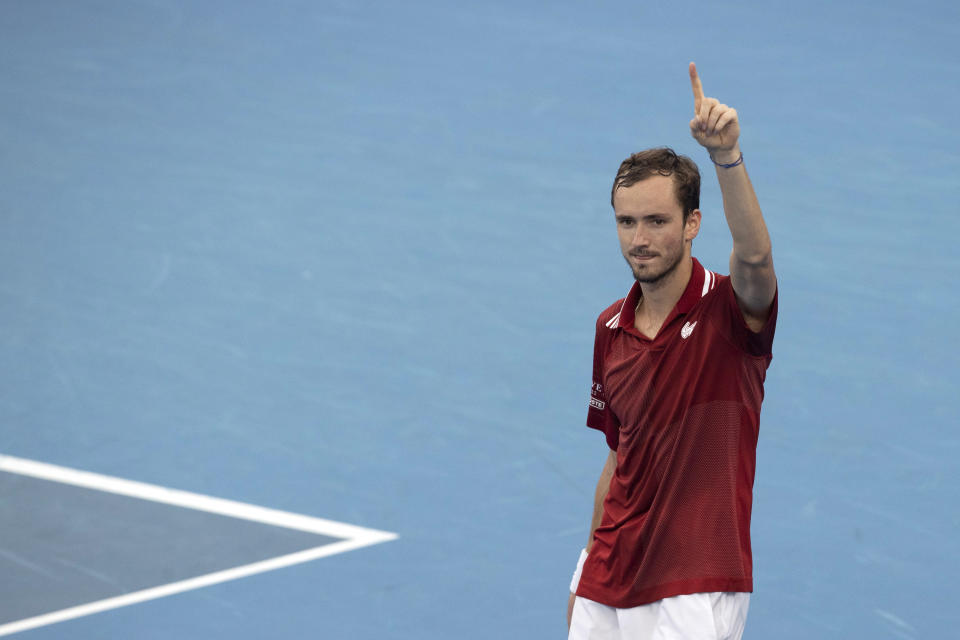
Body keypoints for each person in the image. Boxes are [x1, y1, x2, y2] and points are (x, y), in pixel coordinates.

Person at [566, 63, 778, 640]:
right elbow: (618, 455)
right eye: (627, 222)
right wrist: (585, 571)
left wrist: (726, 156)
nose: (639, 239)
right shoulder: (609, 328)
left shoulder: (732, 313)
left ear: (693, 224)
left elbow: (756, 260)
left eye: (657, 221)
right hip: (609, 581)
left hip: (695, 583)